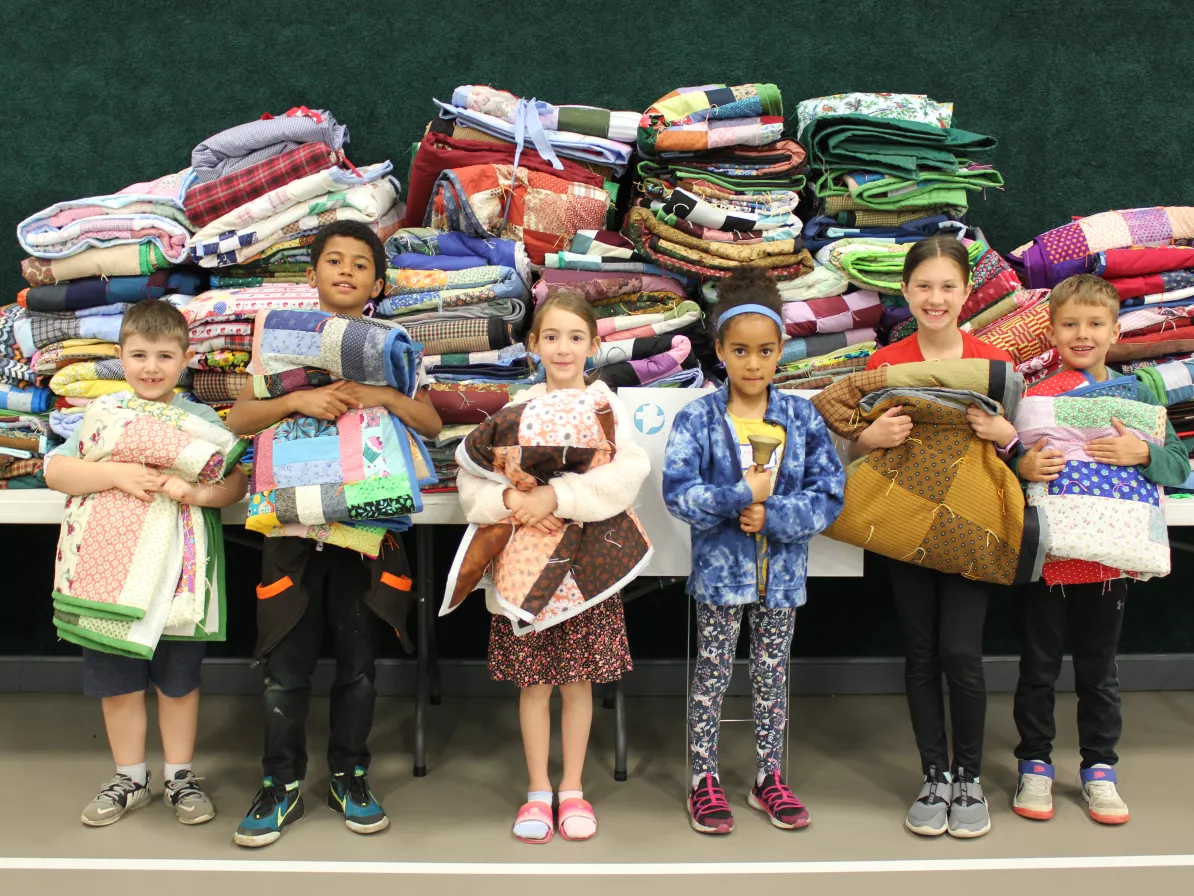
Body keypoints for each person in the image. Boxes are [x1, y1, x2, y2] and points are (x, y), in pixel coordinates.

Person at [225, 221, 442, 847]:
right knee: (286, 660)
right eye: (333, 261)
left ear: (377, 282)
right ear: (313, 272)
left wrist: (383, 394)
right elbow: (241, 416)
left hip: (363, 524)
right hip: (291, 521)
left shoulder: (393, 346)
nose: (345, 271)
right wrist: (298, 403)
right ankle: (281, 783)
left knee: (358, 661)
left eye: (359, 264)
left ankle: (350, 773)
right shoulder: (281, 341)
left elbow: (428, 421)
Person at [45, 300, 249, 828]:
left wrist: (193, 492)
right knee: (118, 682)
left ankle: (180, 777)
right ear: (120, 357)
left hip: (178, 576)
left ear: (185, 359)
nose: (151, 367)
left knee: (178, 681)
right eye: (138, 355)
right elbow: (57, 471)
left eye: (164, 355)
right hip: (109, 579)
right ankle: (129, 778)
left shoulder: (200, 419)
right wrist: (116, 474)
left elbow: (234, 480)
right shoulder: (106, 416)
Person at [456, 293, 649, 844]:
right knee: (535, 683)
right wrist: (512, 505)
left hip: (587, 565)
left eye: (575, 337)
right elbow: (475, 477)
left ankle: (573, 788)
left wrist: (558, 497)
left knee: (577, 682)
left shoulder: (606, 407)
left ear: (593, 345)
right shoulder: (513, 410)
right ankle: (538, 790)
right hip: (525, 559)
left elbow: (626, 474)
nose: (562, 348)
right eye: (551, 336)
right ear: (532, 343)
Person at [662, 267, 844, 835]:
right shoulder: (698, 418)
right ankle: (703, 778)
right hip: (720, 580)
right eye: (739, 351)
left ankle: (769, 776)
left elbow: (829, 492)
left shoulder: (801, 416)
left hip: (783, 580)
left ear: (780, 351)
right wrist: (739, 496)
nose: (752, 363)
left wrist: (776, 515)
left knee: (772, 675)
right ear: (719, 350)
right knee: (712, 675)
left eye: (764, 351)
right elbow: (679, 494)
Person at [1010, 274, 1188, 825]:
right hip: (1047, 557)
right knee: (1038, 666)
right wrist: (1020, 466)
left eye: (1094, 324)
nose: (1082, 334)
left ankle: (1099, 770)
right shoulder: (1034, 399)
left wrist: (1142, 454)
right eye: (1070, 324)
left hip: (1109, 559)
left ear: (1115, 330)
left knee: (1099, 670)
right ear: (1052, 331)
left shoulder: (1138, 396)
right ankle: (1034, 764)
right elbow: (1002, 470)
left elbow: (1178, 468)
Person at [862, 236, 1015, 838]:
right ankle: (934, 776)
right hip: (904, 522)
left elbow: (1021, 455)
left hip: (971, 525)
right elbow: (858, 442)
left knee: (961, 652)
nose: (935, 297)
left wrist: (1003, 433)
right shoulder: (885, 362)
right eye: (923, 285)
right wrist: (869, 440)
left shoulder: (992, 361)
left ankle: (969, 778)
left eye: (948, 286)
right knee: (921, 652)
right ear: (904, 290)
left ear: (966, 293)